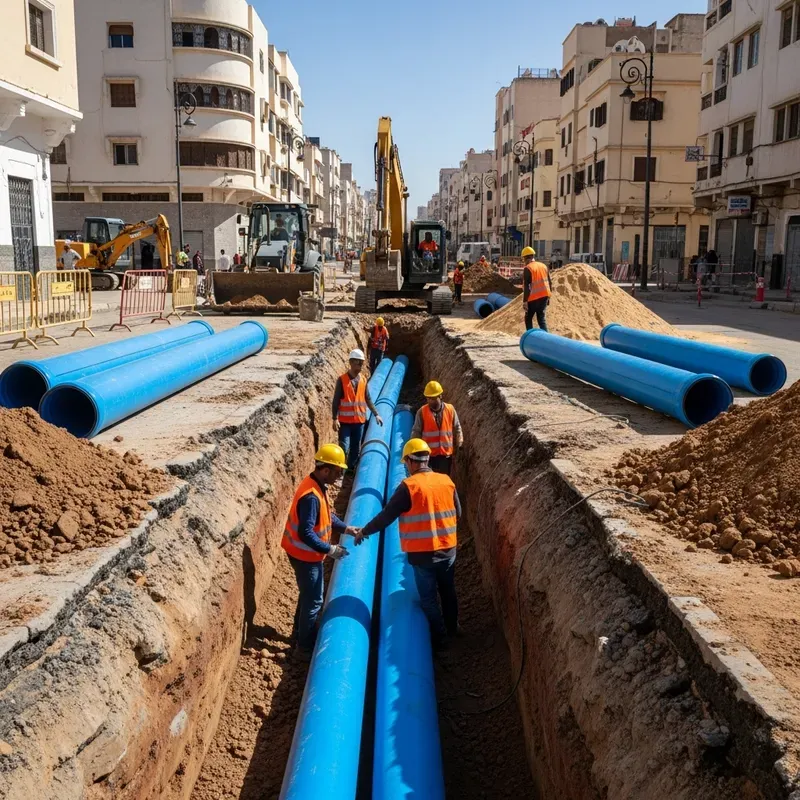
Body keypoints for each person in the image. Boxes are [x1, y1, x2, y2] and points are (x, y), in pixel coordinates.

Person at [348, 438, 461, 648]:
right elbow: (458, 513)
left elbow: (386, 516)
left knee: (428, 599)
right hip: (448, 550)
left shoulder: (409, 487)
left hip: (422, 556)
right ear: (427, 459)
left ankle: (440, 639)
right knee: (448, 590)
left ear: (410, 461)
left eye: (405, 463)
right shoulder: (446, 481)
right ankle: (453, 628)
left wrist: (364, 531)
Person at [282, 444, 351, 661]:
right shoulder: (311, 495)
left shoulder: (316, 485)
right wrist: (330, 549)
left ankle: (298, 636)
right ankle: (304, 649)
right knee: (313, 601)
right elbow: (305, 533)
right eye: (338, 472)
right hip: (305, 556)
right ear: (326, 469)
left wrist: (346, 528)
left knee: (308, 596)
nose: (339, 477)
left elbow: (327, 516)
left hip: (306, 554)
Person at [332, 349, 383, 472]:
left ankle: (350, 471)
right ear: (351, 362)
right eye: (358, 363)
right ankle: (340, 472)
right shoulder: (342, 380)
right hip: (345, 423)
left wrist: (376, 414)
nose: (360, 365)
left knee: (356, 448)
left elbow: (368, 399)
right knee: (344, 447)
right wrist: (335, 418)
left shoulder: (363, 380)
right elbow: (336, 401)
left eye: (362, 363)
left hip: (359, 422)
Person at [411, 381, 463, 476]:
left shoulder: (450, 409)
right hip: (428, 456)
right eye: (428, 398)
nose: (430, 401)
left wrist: (460, 442)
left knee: (443, 481)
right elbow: (416, 432)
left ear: (440, 396)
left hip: (445, 456)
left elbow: (457, 427)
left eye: (433, 398)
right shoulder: (421, 412)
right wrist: (415, 451)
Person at [522, 246, 552, 332]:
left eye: (523, 259)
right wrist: (549, 297)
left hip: (533, 297)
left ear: (526, 258)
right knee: (541, 318)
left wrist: (525, 301)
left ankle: (530, 337)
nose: (523, 261)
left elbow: (527, 287)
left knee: (528, 318)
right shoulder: (543, 266)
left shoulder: (528, 268)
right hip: (545, 296)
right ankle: (546, 338)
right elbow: (550, 282)